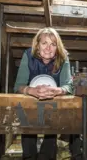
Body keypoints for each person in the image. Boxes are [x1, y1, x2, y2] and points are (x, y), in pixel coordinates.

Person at [13, 27, 80, 160]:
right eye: (44, 43)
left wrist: (58, 90)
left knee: (52, 125)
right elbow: (18, 86)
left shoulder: (63, 57)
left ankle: (47, 156)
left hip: (53, 101)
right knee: (26, 120)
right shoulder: (28, 55)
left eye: (53, 44)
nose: (48, 48)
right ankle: (29, 156)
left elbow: (69, 86)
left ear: (57, 47)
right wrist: (30, 90)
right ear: (37, 45)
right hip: (30, 101)